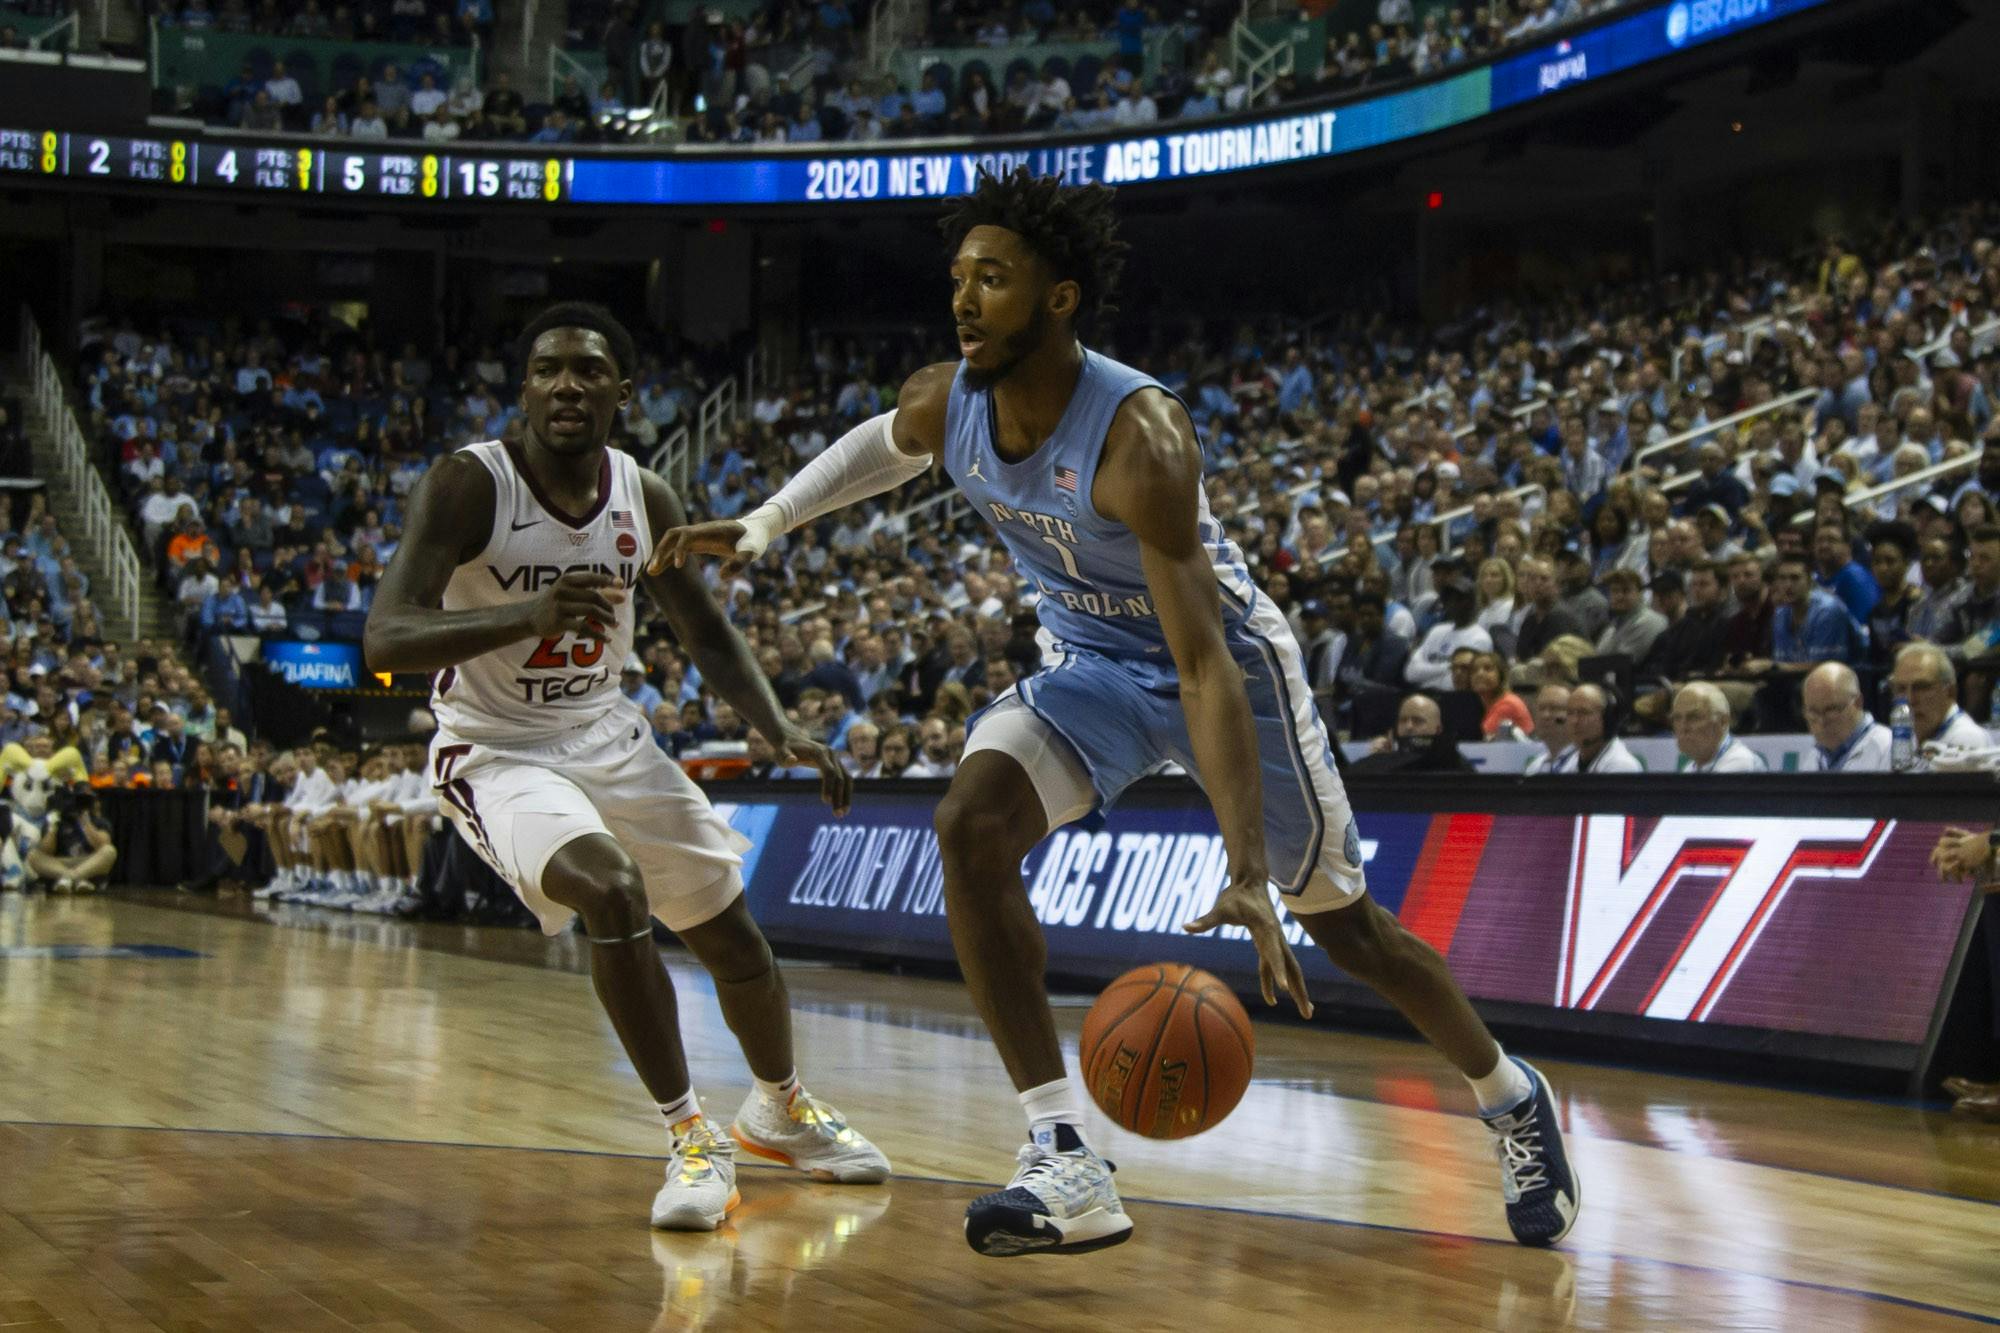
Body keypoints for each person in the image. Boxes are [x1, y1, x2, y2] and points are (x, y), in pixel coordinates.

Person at [651, 171, 1574, 1256]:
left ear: (1058, 298)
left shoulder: (1141, 435)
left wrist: (1241, 866)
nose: (964, 299)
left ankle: (1509, 1094)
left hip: (1223, 670)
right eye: (957, 278)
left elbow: (1200, 665)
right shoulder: (948, 399)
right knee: (968, 826)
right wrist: (765, 524)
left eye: (992, 279)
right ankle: (1063, 1153)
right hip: (1090, 661)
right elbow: (881, 444)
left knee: (1346, 929)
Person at [363, 302, 888, 1235]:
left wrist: (776, 729)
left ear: (623, 394)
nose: (567, 384)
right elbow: (385, 637)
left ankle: (780, 1106)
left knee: (734, 940)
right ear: (524, 389)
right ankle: (691, 1136)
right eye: (548, 369)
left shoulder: (645, 496)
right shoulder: (468, 485)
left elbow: (704, 628)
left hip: (606, 730)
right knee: (609, 891)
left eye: (588, 371)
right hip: (493, 745)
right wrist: (526, 617)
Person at [1888, 642, 1988, 768]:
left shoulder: (1966, 740)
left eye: (1921, 687)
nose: (1910, 700)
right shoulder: (1907, 737)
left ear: (1950, 692)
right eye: (1901, 689)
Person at [1803, 662, 1891, 772]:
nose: (1821, 722)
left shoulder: (1887, 747)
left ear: (1858, 703)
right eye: (1813, 712)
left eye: (1831, 710)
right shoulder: (1814, 756)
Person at [28, 785, 115, 892]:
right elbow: (46, 851)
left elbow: (103, 844)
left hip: (87, 862)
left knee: (109, 851)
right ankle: (77, 878)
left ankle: (69, 878)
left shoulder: (99, 821)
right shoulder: (57, 819)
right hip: (60, 863)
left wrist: (86, 823)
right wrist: (52, 828)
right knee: (33, 855)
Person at [1669, 682, 1767, 773]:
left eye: (1694, 717)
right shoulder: (1690, 768)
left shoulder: (1740, 763)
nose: (1683, 727)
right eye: (1677, 718)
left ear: (1723, 722)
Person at [1551, 683, 1641, 773]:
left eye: (1584, 712)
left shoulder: (1622, 766)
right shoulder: (1566, 763)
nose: (1575, 721)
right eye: (1570, 713)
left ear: (1607, 719)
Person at [1469, 650, 1531, 739]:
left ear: (1501, 675)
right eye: (1474, 670)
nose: (1480, 674)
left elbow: (1486, 743)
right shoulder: (1489, 704)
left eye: (1488, 668)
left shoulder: (1508, 704)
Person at [1520, 683, 1572, 775]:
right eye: (1541, 708)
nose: (1545, 715)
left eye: (1555, 708)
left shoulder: (1585, 762)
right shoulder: (1534, 768)